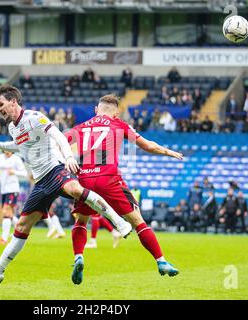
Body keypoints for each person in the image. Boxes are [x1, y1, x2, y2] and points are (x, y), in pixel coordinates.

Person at [0, 85, 132, 283]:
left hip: (55, 168)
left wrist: (69, 157)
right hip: (40, 182)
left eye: (1, 104)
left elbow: (59, 136)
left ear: (13, 102)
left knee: (74, 189)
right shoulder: (13, 127)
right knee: (22, 224)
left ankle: (119, 223)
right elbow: (18, 146)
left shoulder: (35, 117)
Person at [65, 94, 184, 284]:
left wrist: (68, 158)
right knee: (138, 221)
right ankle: (161, 261)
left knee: (81, 220)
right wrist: (167, 152)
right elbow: (147, 146)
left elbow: (60, 142)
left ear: (96, 109)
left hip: (85, 180)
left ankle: (78, 256)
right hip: (109, 179)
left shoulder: (81, 127)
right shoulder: (119, 125)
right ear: (116, 112)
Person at [0, 150, 28, 244]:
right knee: (9, 214)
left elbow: (24, 173)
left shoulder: (16, 159)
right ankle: (22, 229)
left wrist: (14, 172)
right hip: (3, 189)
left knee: (6, 211)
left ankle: (4, 238)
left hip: (12, 188)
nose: (7, 150)